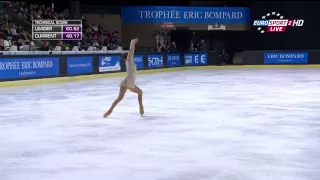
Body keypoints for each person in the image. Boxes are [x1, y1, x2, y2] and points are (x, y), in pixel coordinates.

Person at [103, 38, 144, 118]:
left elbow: (132, 51)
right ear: (127, 57)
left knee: (119, 98)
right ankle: (141, 107)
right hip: (130, 82)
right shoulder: (129, 60)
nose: (132, 55)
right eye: (130, 55)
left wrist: (133, 43)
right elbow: (131, 51)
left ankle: (109, 111)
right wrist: (132, 42)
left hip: (125, 81)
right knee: (140, 92)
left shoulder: (130, 62)